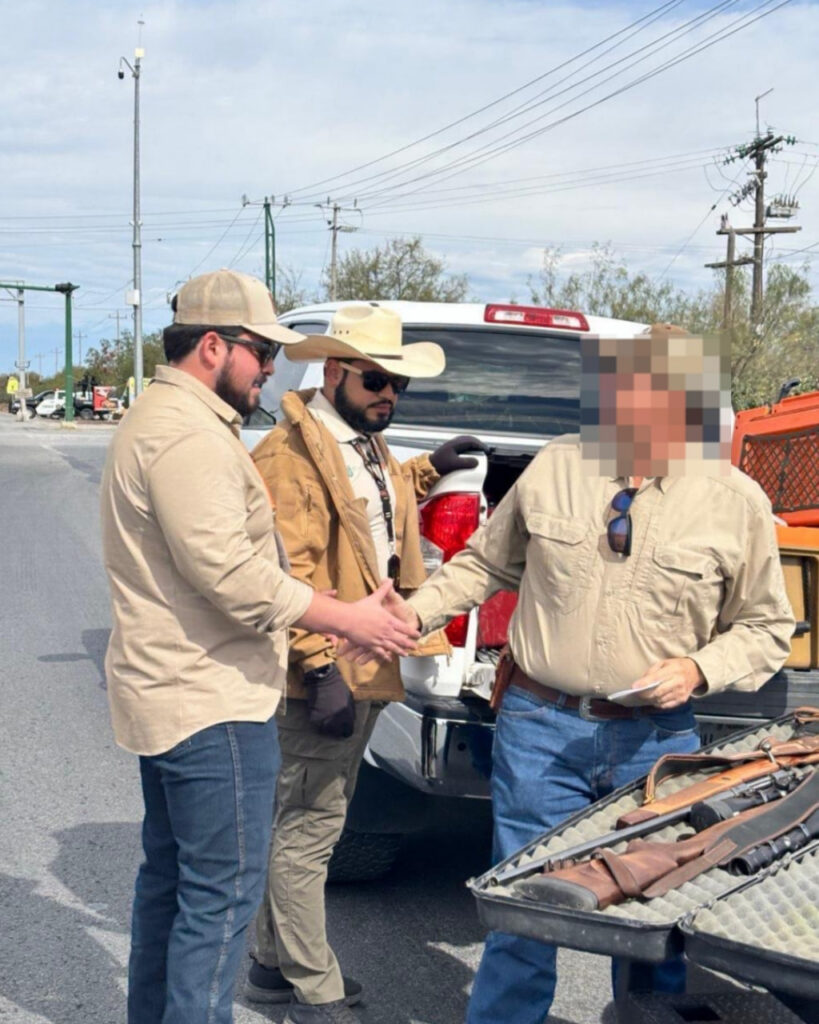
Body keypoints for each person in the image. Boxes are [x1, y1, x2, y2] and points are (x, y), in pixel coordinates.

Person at [388, 325, 795, 1024]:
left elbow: (765, 627)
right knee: (522, 912)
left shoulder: (734, 501)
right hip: (537, 727)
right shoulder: (556, 466)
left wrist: (698, 670)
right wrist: (409, 615)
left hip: (656, 745)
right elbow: (484, 564)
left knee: (653, 921)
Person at [99, 270, 418, 1024]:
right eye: (261, 352)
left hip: (175, 693)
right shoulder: (188, 437)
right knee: (219, 900)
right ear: (214, 346)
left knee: (174, 886)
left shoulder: (166, 419)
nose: (272, 368)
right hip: (210, 703)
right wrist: (348, 622)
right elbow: (236, 578)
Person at [245, 303, 487, 1024]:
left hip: (366, 664)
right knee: (308, 832)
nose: (389, 395)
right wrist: (318, 671)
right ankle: (314, 989)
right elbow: (289, 570)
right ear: (334, 371)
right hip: (325, 672)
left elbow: (366, 512)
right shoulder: (289, 460)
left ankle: (266, 968)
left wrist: (426, 471)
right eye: (377, 380)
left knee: (311, 821)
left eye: (398, 386)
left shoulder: (355, 442)